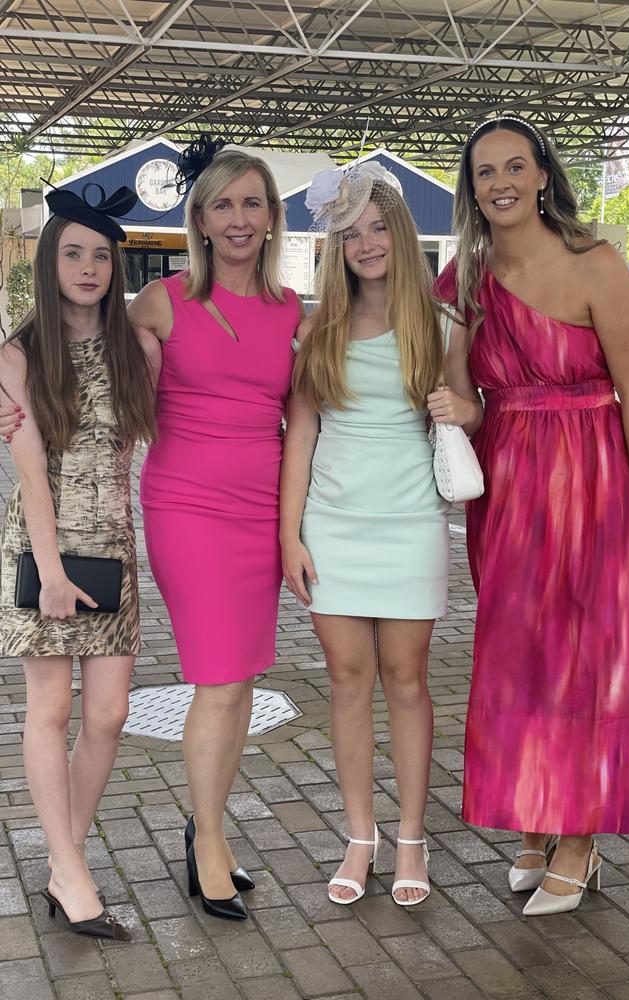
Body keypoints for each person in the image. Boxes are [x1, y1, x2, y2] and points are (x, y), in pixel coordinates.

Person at [433, 116, 629, 915]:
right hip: (512, 488)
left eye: (514, 166)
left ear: (543, 174)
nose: (501, 183)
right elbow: (463, 396)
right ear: (472, 188)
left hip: (594, 484)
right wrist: (458, 399)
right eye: (485, 172)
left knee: (583, 659)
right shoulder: (465, 275)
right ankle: (535, 812)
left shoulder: (598, 266)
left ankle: (581, 837)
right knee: (520, 655)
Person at [280, 162, 482, 906]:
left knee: (406, 683)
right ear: (335, 244)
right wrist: (288, 538)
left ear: (398, 234)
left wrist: (467, 410)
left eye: (376, 228)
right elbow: (299, 436)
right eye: (350, 232)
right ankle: (359, 836)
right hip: (332, 528)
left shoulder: (442, 324)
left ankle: (410, 840)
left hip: (411, 526)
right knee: (346, 683)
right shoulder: (317, 329)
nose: (365, 243)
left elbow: (472, 409)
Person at [127, 139, 301, 921]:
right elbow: (94, 376)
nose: (238, 218)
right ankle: (204, 848)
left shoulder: (292, 310)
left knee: (242, 683)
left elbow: (305, 418)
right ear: (199, 219)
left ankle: (210, 830)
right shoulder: (161, 303)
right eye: (222, 204)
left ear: (271, 219)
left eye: (251, 203)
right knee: (220, 679)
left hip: (261, 514)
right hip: (186, 509)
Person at [0, 184, 160, 940]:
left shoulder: (139, 349)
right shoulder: (18, 355)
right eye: (74, 252)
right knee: (53, 710)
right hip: (43, 553)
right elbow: (32, 473)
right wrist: (54, 571)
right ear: (49, 261)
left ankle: (67, 859)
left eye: (102, 254)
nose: (89, 267)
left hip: (115, 550)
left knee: (109, 714)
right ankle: (69, 869)